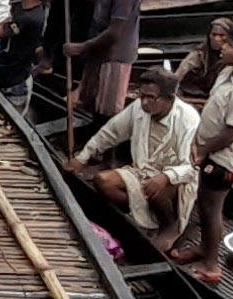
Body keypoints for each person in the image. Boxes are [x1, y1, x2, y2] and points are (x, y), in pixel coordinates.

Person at [67, 69, 201, 254]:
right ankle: (142, 215)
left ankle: (170, 225)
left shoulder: (188, 119)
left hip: (176, 177)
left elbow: (192, 167)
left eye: (150, 97)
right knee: (103, 181)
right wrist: (82, 157)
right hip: (143, 170)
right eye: (141, 96)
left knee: (157, 190)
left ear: (168, 98)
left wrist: (165, 176)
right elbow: (111, 132)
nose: (144, 102)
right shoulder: (139, 107)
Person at [174, 21, 233, 276]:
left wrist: (204, 151)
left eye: (230, 44)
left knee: (211, 207)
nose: (222, 46)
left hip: (223, 158)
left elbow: (230, 133)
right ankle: (205, 247)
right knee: (203, 202)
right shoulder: (227, 71)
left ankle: (211, 264)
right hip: (210, 149)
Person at [61, 0, 142, 117]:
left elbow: (114, 33)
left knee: (107, 112)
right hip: (98, 51)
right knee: (88, 101)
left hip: (113, 57)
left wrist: (81, 47)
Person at [174, 17, 233, 98]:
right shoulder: (201, 53)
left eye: (221, 35)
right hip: (198, 92)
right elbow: (183, 69)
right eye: (214, 35)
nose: (217, 39)